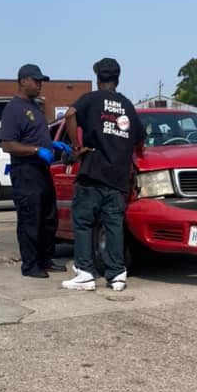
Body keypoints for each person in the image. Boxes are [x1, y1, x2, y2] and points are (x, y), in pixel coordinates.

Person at [61, 57, 145, 292]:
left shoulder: (92, 99)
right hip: (118, 177)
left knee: (83, 222)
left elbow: (69, 115)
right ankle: (117, 274)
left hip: (92, 172)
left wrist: (76, 147)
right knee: (113, 224)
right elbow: (140, 139)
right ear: (118, 79)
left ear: (98, 79)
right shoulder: (127, 105)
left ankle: (85, 273)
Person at [0, 64, 67, 278]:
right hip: (26, 172)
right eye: (36, 81)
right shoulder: (13, 109)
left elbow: (35, 136)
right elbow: (8, 144)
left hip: (42, 171)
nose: (40, 85)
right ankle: (30, 265)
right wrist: (36, 150)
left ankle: (45, 259)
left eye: (41, 81)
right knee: (31, 219)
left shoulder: (35, 107)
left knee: (48, 218)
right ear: (23, 81)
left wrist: (52, 145)